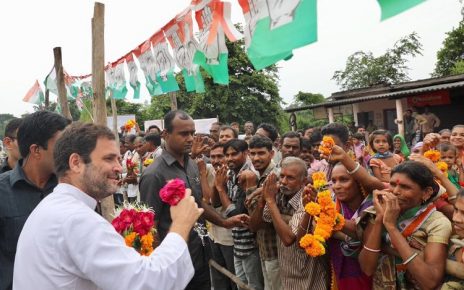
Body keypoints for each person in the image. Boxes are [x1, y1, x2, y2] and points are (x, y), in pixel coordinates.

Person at [13, 122, 203, 290]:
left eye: (119, 159)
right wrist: (181, 225)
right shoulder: (76, 218)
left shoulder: (55, 207)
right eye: (109, 159)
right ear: (76, 163)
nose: (119, 168)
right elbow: (149, 282)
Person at [139, 110, 247, 290]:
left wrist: (225, 222)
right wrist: (159, 268)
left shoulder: (191, 164)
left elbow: (199, 203)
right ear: (166, 134)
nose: (190, 138)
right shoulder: (153, 175)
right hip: (174, 263)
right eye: (183, 134)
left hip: (200, 253)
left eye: (192, 133)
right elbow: (150, 227)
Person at [0, 111, 70, 290]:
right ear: (36, 150)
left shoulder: (73, 189)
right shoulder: (3, 192)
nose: (69, 154)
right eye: (62, 146)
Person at [358, 161, 452, 290]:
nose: (396, 191)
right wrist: (380, 219)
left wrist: (391, 227)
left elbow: (429, 282)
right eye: (392, 184)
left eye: (405, 187)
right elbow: (367, 268)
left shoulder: (437, 223)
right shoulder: (378, 212)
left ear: (426, 193)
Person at [262, 157, 329, 290]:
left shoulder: (307, 200)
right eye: (282, 176)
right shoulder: (279, 194)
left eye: (290, 178)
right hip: (287, 273)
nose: (283, 182)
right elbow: (267, 216)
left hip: (307, 277)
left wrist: (270, 201)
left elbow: (288, 239)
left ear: (303, 181)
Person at [215, 139, 264, 290]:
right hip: (238, 243)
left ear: (245, 153)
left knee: (253, 286)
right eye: (227, 155)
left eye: (234, 154)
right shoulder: (230, 174)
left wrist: (221, 189)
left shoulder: (248, 175)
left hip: (250, 244)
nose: (230, 158)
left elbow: (238, 215)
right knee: (241, 284)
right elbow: (218, 204)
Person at [246, 135, 282, 290]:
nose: (256, 158)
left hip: (276, 251)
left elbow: (256, 223)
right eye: (252, 153)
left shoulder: (277, 176)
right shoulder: (258, 177)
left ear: (271, 154)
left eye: (261, 153)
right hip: (264, 249)